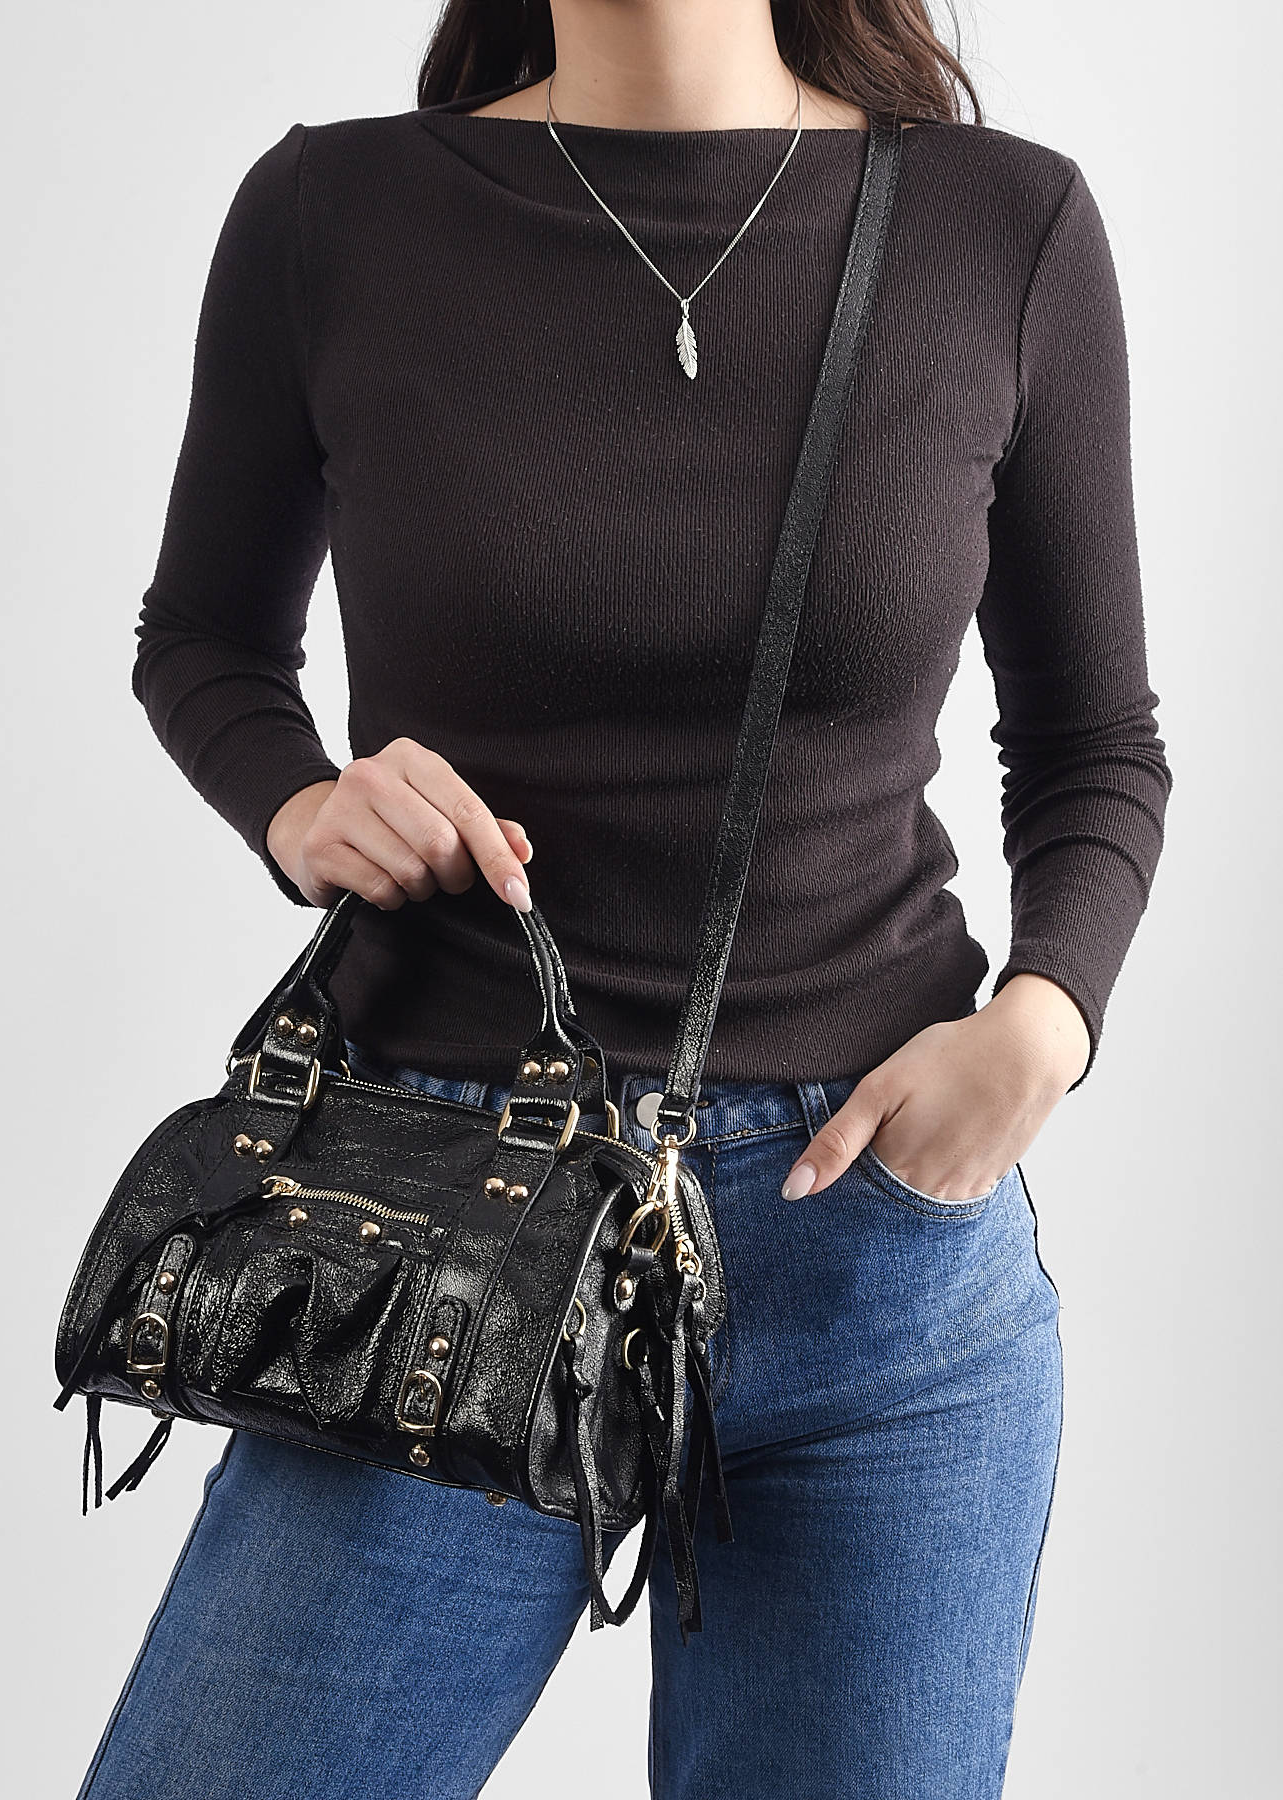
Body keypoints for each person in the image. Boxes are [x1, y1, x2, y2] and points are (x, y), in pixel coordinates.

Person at [74, 2, 1172, 1795]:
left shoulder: (1003, 227)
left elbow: (1094, 742)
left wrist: (1041, 1024)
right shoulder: (335, 215)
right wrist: (302, 805)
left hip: (877, 1250)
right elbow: (200, 636)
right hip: (441, 1234)